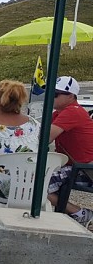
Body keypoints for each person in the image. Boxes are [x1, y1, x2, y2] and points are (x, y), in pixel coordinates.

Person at [46, 76, 93, 225]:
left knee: (35, 185)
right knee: (34, 180)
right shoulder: (59, 113)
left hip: (84, 169)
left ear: (71, 96)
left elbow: (44, 138)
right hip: (76, 166)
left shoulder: (72, 112)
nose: (50, 97)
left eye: (55, 94)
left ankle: (81, 213)